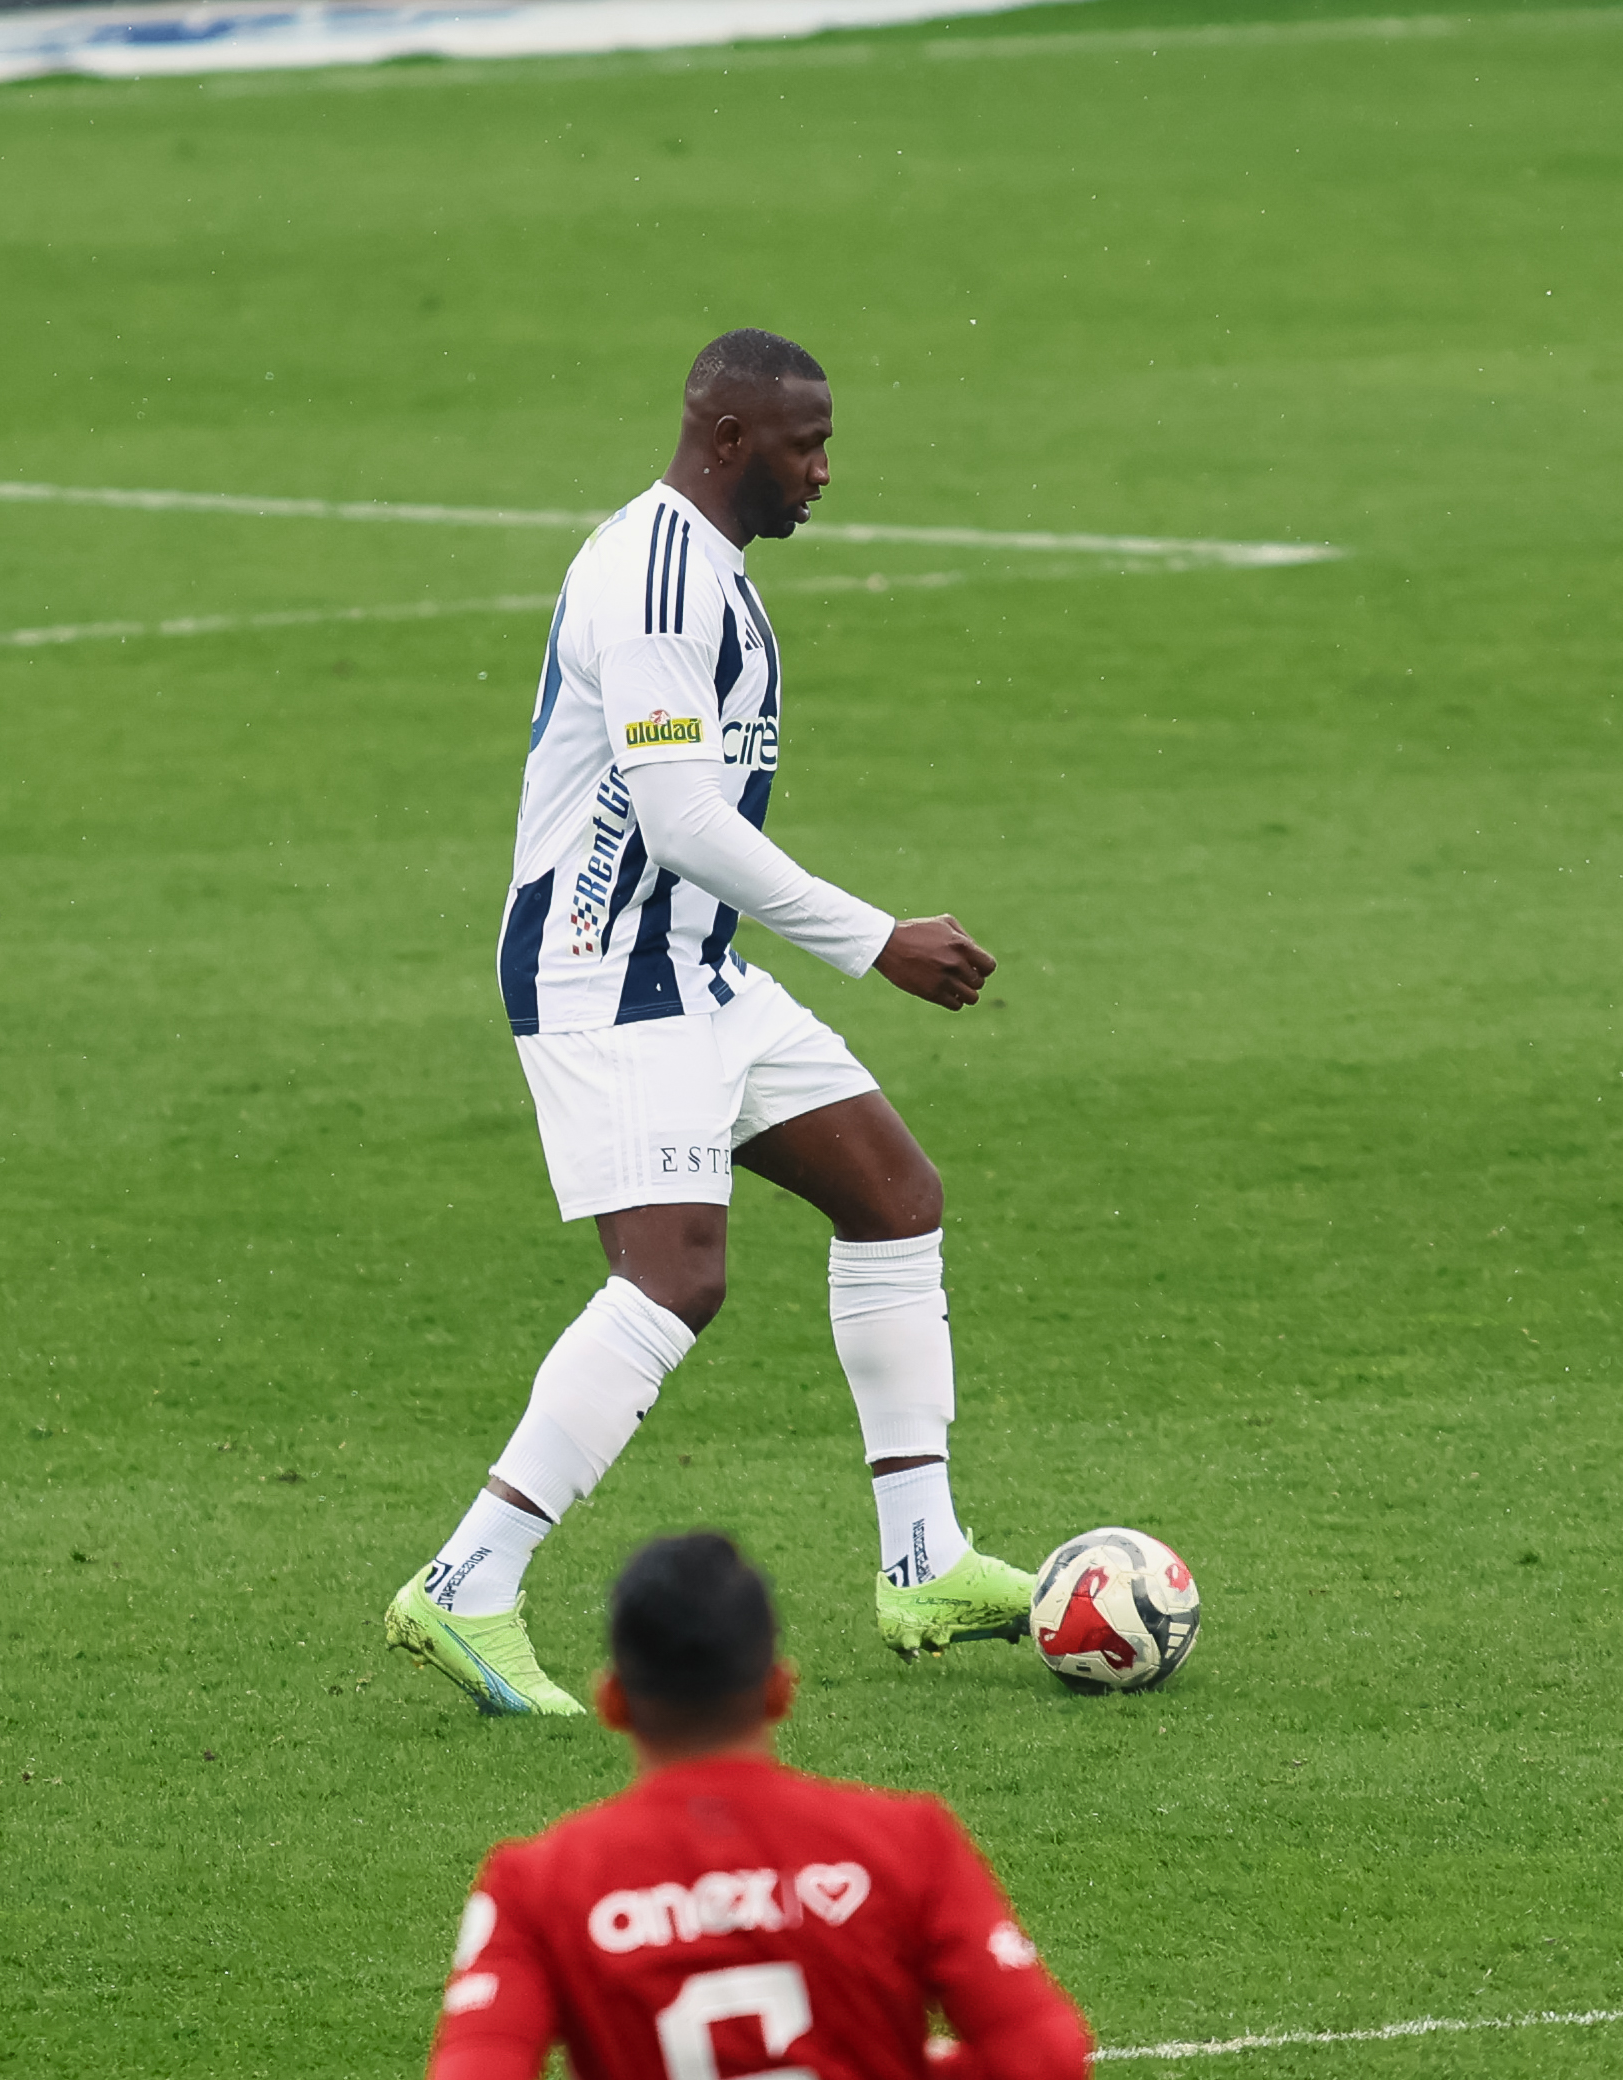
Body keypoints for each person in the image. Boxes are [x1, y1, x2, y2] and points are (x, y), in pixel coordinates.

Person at [386, 328, 1033, 1716]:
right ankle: (468, 1581)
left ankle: (924, 1559)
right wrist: (875, 939)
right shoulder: (656, 578)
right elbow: (679, 822)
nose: (823, 472)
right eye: (806, 446)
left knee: (893, 1197)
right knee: (675, 1277)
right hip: (605, 971)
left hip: (694, 968)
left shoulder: (707, 563)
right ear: (727, 439)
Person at [426, 1534, 1094, 2080]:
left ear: (613, 1702)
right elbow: (1046, 2058)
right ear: (779, 1690)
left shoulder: (537, 1885)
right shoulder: (910, 1843)